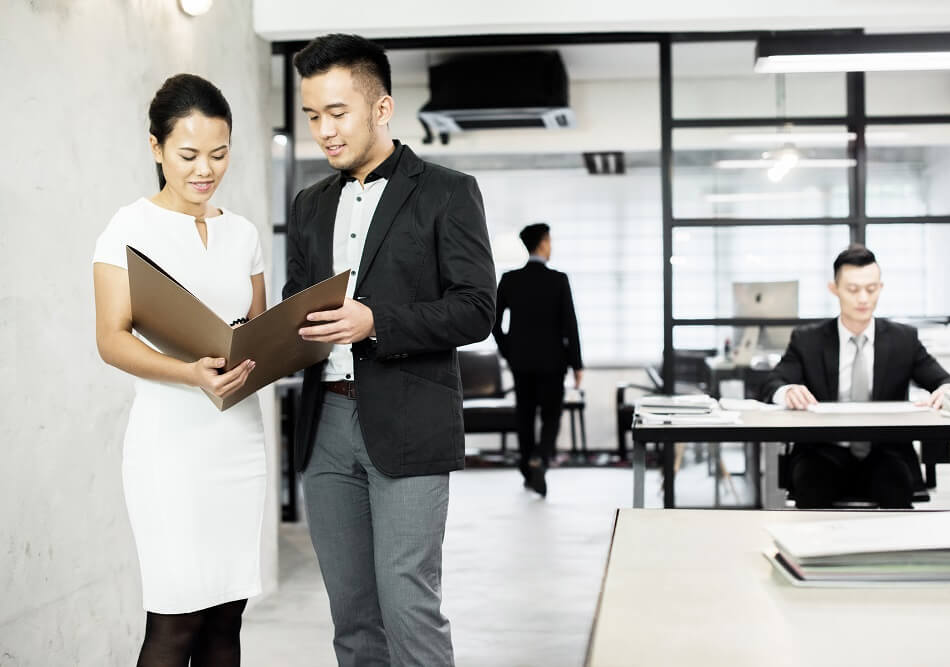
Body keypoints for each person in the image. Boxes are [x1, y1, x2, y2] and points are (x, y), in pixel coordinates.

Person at [283, 34, 495, 666]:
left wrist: (376, 322)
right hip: (325, 424)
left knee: (407, 603)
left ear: (382, 109)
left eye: (337, 112)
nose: (324, 130)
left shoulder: (447, 192)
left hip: (409, 420)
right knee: (351, 614)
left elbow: (477, 308)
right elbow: (299, 303)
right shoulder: (309, 204)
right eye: (312, 115)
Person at [93, 74, 266, 665]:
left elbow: (255, 330)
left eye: (219, 154)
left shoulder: (242, 233)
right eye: (189, 155)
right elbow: (111, 339)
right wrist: (190, 373)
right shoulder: (128, 228)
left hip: (238, 441)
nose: (206, 170)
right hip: (169, 447)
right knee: (176, 621)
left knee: (226, 621)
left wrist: (270, 346)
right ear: (156, 147)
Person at [759, 244, 950, 509]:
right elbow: (771, 384)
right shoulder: (808, 340)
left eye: (871, 289)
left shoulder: (904, 339)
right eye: (853, 289)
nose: (863, 299)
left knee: (895, 484)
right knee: (811, 484)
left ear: (881, 287)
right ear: (834, 289)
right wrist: (786, 391)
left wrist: (947, 391)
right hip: (823, 452)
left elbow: (948, 382)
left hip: (885, 452)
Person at [492, 223, 583, 497]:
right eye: (549, 241)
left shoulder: (510, 279)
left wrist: (508, 351)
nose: (551, 246)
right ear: (542, 243)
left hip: (521, 362)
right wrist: (577, 364)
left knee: (525, 415)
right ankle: (540, 458)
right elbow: (570, 325)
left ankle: (527, 468)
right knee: (551, 415)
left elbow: (493, 322)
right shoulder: (558, 280)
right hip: (554, 362)